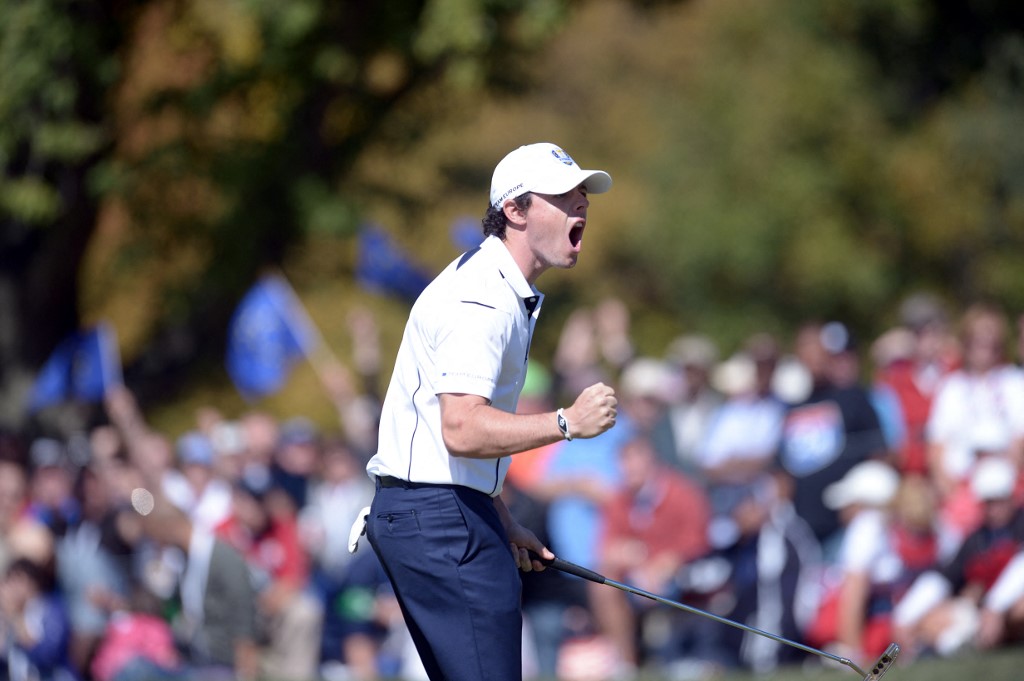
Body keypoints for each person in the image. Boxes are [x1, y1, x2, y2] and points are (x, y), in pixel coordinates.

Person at [364, 141, 618, 681]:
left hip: (442, 513)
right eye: (563, 197)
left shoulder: (498, 287)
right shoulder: (482, 299)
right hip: (437, 520)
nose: (581, 207)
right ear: (515, 211)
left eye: (582, 197)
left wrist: (498, 514)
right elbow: (460, 429)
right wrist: (567, 423)